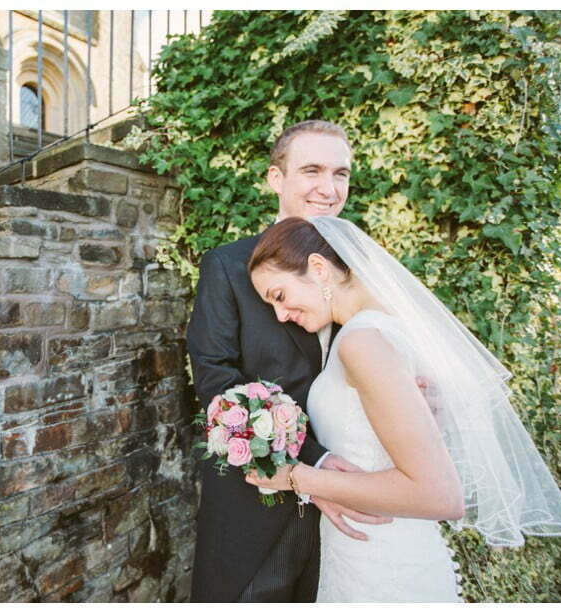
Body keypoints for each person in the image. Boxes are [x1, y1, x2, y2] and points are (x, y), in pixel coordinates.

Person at [245, 216, 561, 602]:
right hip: (362, 558)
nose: (280, 315)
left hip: (388, 574)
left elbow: (440, 496)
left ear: (318, 268)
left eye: (280, 296)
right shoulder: (380, 330)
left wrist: (295, 478)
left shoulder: (363, 342)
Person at [187, 120, 390, 603]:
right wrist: (315, 464)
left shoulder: (364, 272)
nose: (329, 188)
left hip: (356, 506)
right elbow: (217, 384)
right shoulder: (229, 267)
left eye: (340, 173)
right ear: (276, 179)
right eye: (312, 170)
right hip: (258, 506)